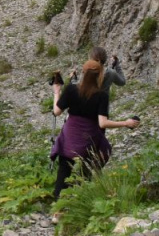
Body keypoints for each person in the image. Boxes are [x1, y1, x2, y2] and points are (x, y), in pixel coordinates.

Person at [50, 60, 140, 202]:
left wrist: (56, 92)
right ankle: (79, 198)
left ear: (83, 73)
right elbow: (102, 123)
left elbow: (56, 112)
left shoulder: (71, 89)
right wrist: (125, 123)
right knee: (88, 167)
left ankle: (58, 209)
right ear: (100, 76)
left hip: (70, 135)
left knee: (64, 169)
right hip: (87, 139)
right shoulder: (102, 95)